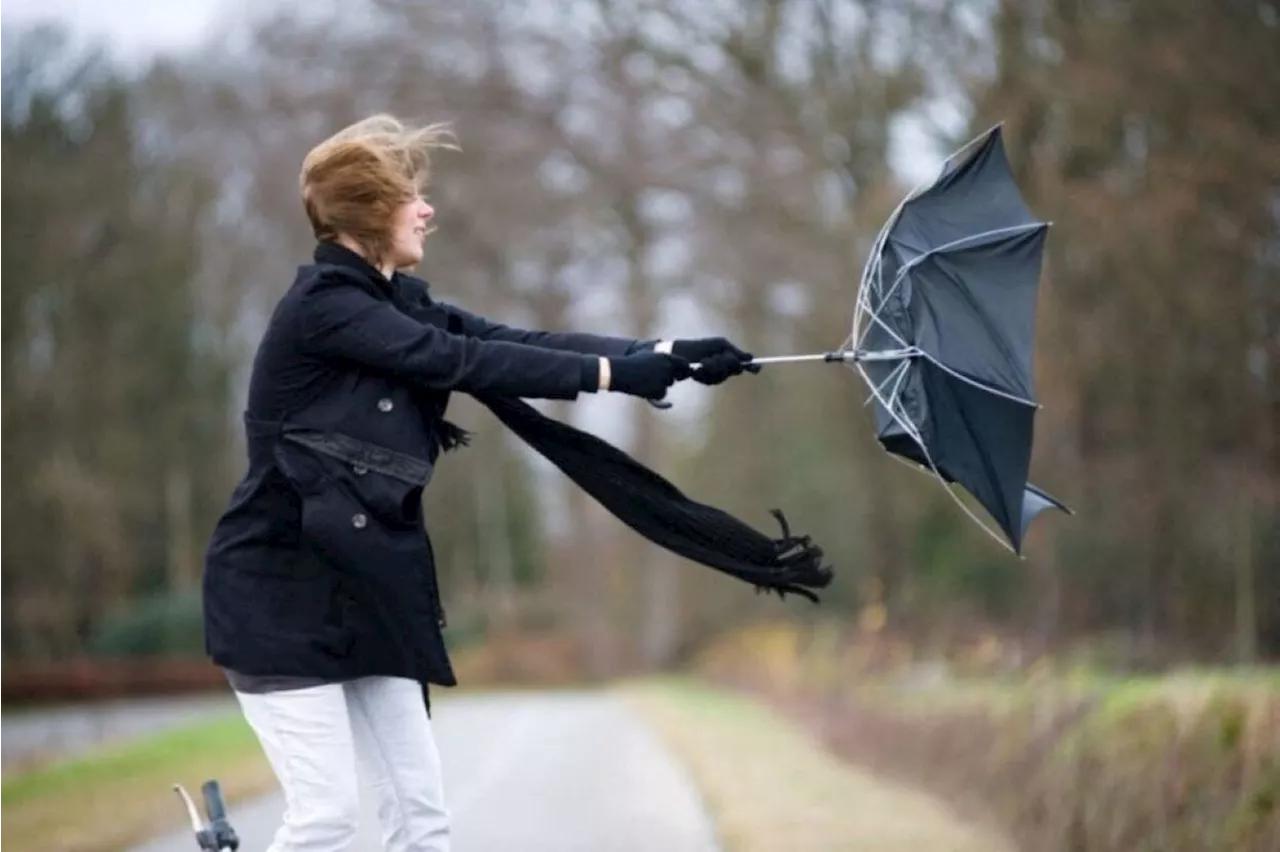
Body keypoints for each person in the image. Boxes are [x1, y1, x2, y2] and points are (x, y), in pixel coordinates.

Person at [200, 114, 757, 852]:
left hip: (367, 590)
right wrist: (614, 373)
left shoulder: (396, 301)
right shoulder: (325, 310)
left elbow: (508, 342)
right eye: (409, 197)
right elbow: (456, 362)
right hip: (280, 595)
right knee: (326, 820)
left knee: (422, 820)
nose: (426, 208)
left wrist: (661, 352)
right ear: (369, 212)